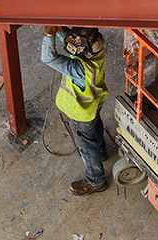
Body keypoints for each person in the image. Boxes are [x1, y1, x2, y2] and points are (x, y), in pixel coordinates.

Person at [41, 25, 109, 195]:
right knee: (95, 128)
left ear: (82, 51)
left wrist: (49, 36)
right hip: (92, 106)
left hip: (80, 113)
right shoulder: (97, 51)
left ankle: (96, 181)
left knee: (86, 146)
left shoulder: (79, 70)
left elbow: (48, 58)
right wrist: (61, 30)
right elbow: (74, 41)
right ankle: (101, 151)